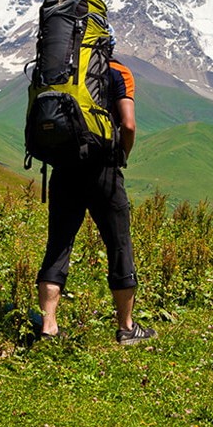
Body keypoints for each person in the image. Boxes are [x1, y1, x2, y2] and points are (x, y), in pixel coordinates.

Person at [35, 47, 156, 345]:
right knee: (119, 245)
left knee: (59, 245)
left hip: (64, 167)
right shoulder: (117, 71)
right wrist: (121, 155)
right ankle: (126, 327)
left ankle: (49, 325)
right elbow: (128, 124)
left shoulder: (59, 72)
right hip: (103, 168)